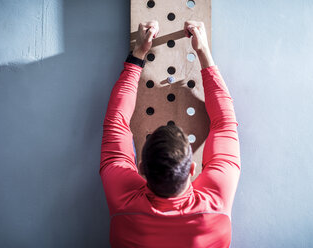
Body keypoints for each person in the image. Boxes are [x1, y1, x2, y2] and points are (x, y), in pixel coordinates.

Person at [100, 20, 241, 248]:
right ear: (193, 169)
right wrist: (203, 52)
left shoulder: (123, 207)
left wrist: (138, 54)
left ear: (142, 167)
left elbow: (116, 123)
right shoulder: (217, 207)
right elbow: (224, 123)